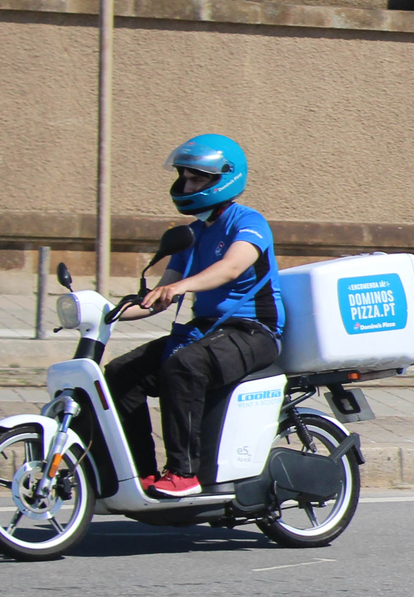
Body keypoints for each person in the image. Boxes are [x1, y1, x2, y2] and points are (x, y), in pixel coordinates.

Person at [105, 135, 287, 499]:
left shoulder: (248, 222)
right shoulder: (190, 235)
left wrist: (183, 287)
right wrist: (103, 313)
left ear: (225, 177)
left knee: (184, 366)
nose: (187, 186)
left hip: (254, 332)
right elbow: (156, 298)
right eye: (185, 178)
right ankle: (140, 475)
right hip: (208, 331)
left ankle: (183, 473)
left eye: (196, 179)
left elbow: (231, 268)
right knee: (120, 374)